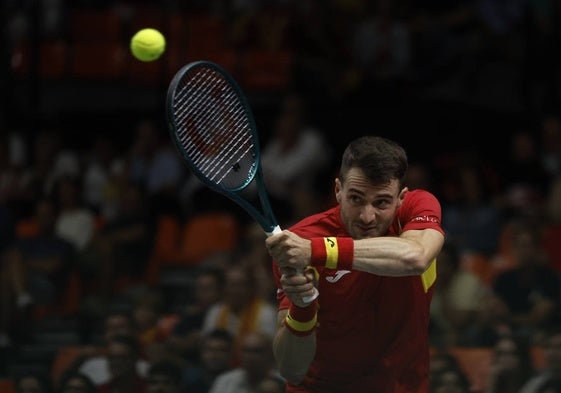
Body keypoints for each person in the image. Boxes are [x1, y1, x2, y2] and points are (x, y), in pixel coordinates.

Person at [265, 135, 445, 392]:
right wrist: (302, 307)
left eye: (381, 202)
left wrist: (317, 251)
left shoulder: (417, 206)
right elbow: (291, 369)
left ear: (401, 198)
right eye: (356, 199)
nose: (367, 216)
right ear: (338, 190)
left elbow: (415, 256)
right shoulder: (303, 239)